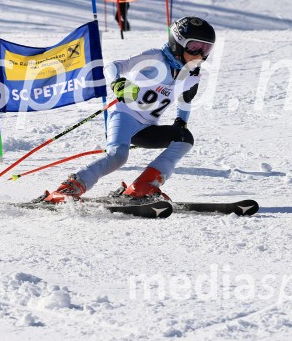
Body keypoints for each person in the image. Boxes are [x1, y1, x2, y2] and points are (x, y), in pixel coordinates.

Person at [38, 16, 217, 204]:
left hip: (146, 127)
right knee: (117, 157)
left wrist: (181, 121)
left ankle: (143, 186)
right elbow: (113, 66)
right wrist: (118, 83)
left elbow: (185, 99)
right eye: (195, 47)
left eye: (206, 49)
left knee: (184, 139)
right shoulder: (155, 58)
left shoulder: (191, 74)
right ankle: (68, 188)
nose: (200, 54)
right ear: (177, 43)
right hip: (124, 116)